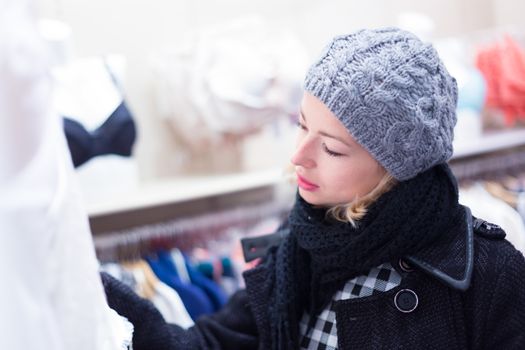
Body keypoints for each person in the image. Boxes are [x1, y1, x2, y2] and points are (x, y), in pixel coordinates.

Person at [101, 27, 525, 349]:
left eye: (332, 149)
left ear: (397, 168)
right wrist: (94, 291)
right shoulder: (300, 250)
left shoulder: (488, 274)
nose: (299, 155)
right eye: (302, 125)